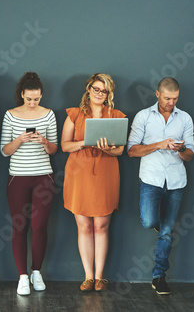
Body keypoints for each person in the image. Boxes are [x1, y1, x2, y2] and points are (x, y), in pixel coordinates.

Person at [127, 77, 194, 295]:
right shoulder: (143, 116)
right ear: (157, 94)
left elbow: (191, 155)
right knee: (149, 221)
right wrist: (159, 145)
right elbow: (132, 150)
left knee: (166, 233)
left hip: (176, 181)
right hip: (151, 179)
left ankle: (159, 276)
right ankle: (158, 222)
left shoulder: (185, 119)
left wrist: (180, 150)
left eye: (175, 99)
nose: (171, 103)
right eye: (167, 98)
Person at [61, 73, 125, 292]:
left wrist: (108, 148)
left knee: (101, 225)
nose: (99, 94)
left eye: (104, 91)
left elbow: (120, 150)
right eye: (96, 89)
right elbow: (64, 146)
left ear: (109, 94)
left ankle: (100, 278)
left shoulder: (116, 115)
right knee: (84, 226)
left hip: (106, 173)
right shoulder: (75, 114)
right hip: (79, 174)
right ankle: (88, 276)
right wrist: (83, 143)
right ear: (89, 89)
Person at [0, 72, 58, 295]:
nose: (32, 103)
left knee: (40, 226)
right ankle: (22, 276)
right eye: (28, 99)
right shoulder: (11, 115)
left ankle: (36, 271)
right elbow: (4, 151)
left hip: (44, 176)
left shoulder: (49, 115)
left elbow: (54, 149)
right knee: (19, 227)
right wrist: (19, 139)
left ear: (41, 96)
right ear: (22, 95)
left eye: (36, 99)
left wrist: (44, 141)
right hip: (17, 177)